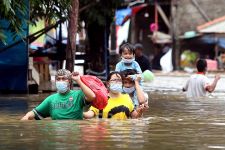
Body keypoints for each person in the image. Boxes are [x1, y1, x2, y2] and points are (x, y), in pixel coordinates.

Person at [21, 69, 96, 120]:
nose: (61, 81)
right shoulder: (51, 99)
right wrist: (26, 117)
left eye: (64, 79)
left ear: (69, 81)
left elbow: (92, 96)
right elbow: (34, 112)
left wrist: (78, 80)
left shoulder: (78, 95)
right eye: (58, 79)